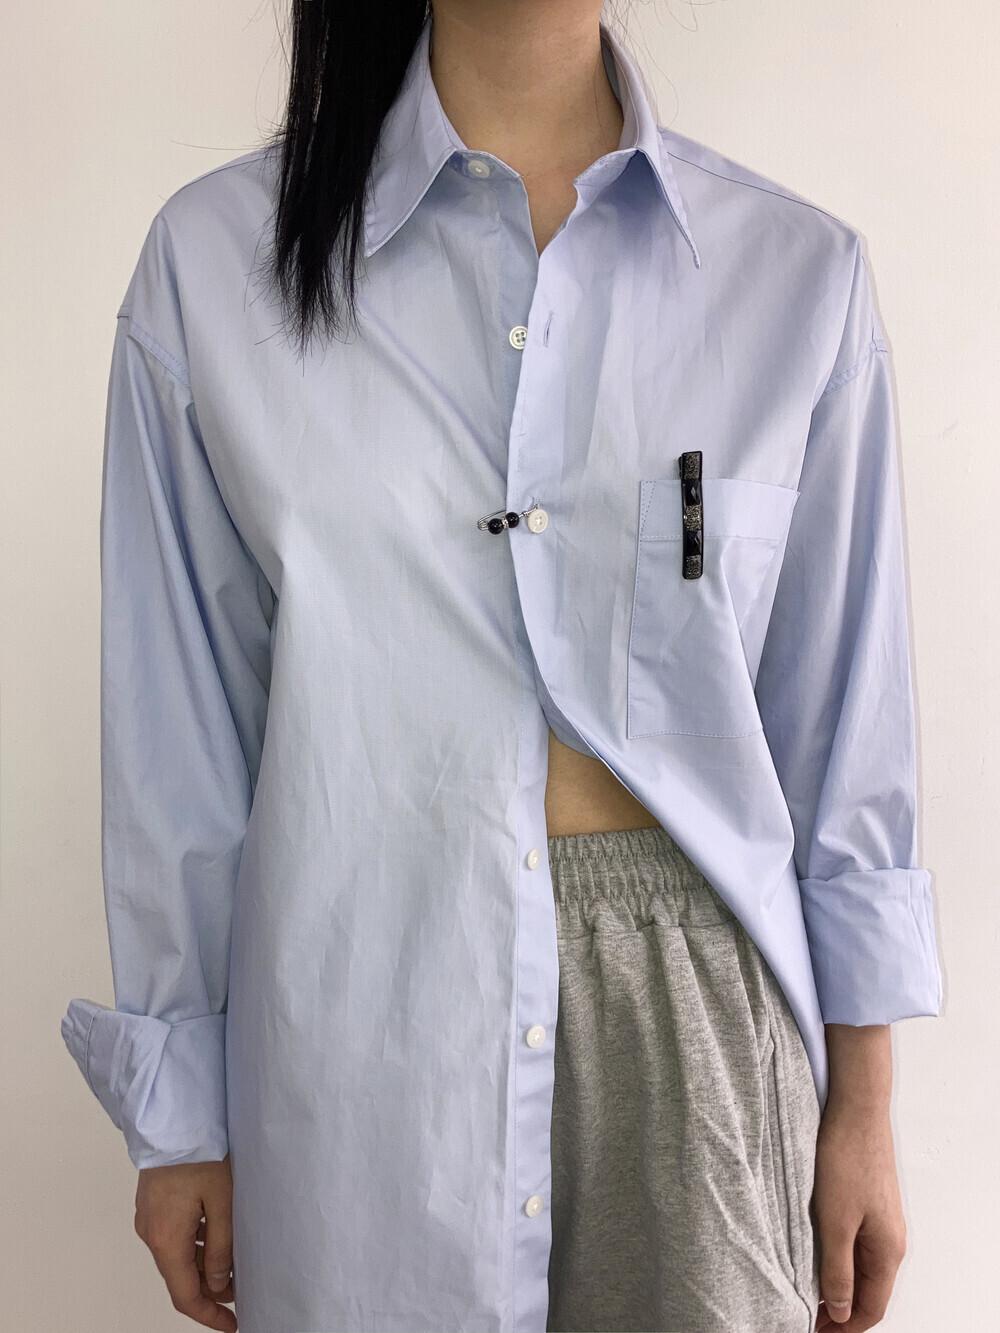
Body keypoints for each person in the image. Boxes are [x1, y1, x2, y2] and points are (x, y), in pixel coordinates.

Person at [60, 2, 943, 1331]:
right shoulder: (214, 265)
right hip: (361, 1019)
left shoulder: (794, 275)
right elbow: (180, 733)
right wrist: (178, 1114)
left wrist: (864, 1104)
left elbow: (841, 726)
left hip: (698, 1028)